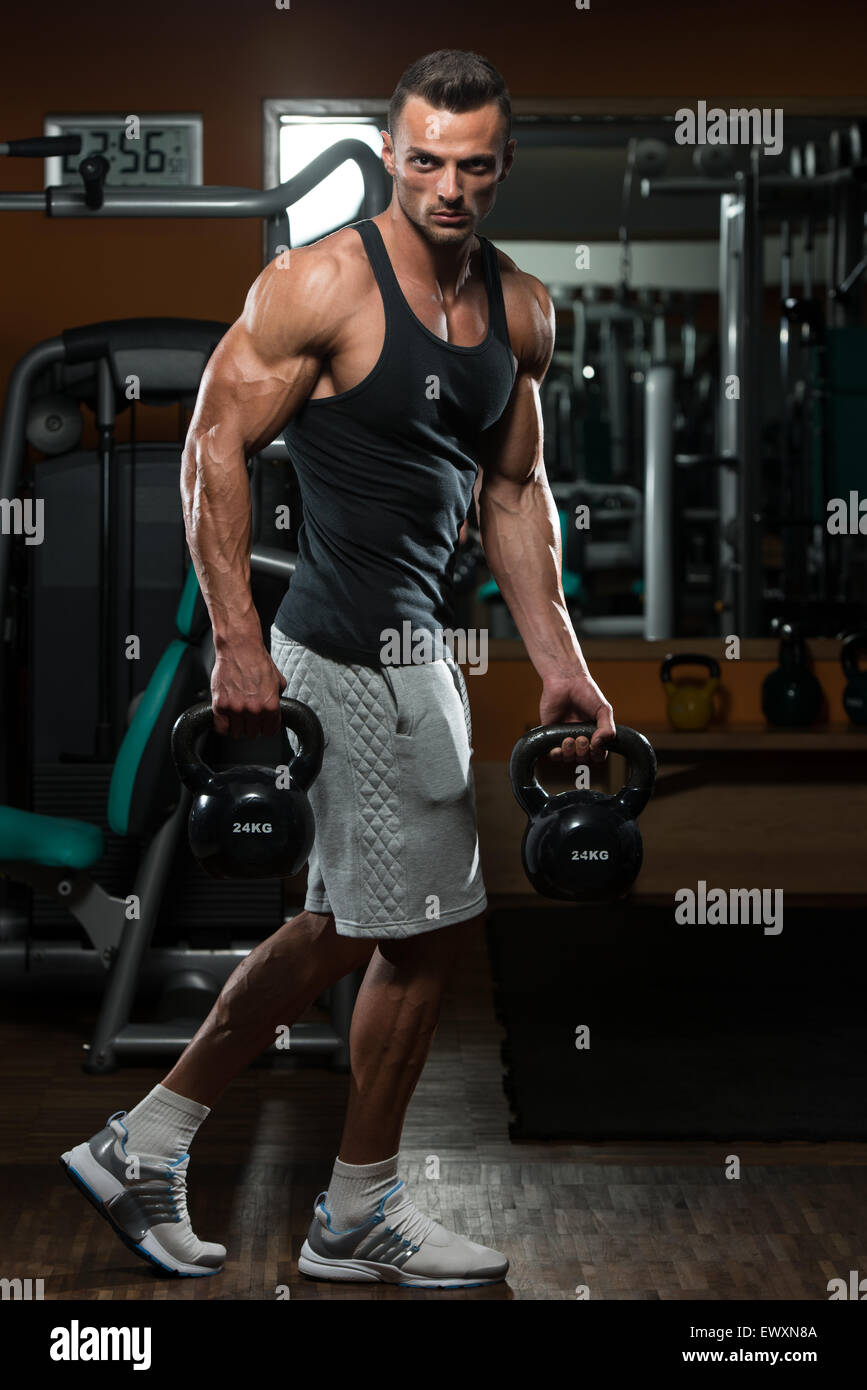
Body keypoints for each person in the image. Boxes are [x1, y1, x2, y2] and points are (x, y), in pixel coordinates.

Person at [61, 48, 615, 1289]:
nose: (449, 187)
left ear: (503, 166)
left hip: (423, 655)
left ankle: (144, 1139)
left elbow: (515, 493)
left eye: (474, 165)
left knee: (347, 926)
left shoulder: (522, 311)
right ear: (390, 154)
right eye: (424, 160)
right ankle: (350, 1204)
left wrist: (562, 660)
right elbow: (214, 442)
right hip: (344, 650)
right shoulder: (321, 284)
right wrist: (239, 642)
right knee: (419, 935)